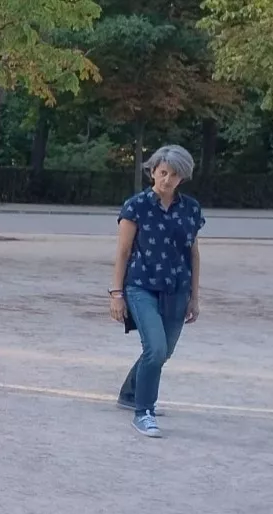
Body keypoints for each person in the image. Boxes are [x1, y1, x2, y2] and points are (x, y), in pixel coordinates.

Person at [110, 145, 203, 438]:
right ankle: (144, 411)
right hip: (141, 286)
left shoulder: (190, 209)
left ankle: (130, 394)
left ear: (182, 179)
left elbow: (194, 253)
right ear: (153, 172)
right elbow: (123, 251)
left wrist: (195, 296)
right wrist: (116, 293)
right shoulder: (136, 206)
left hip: (177, 288)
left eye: (174, 175)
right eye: (163, 173)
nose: (167, 180)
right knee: (156, 348)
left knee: (164, 351)